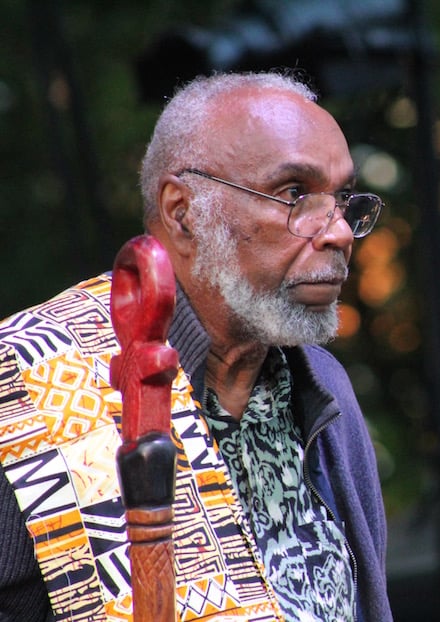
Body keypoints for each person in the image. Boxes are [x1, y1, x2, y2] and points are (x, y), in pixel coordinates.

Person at [0, 71, 392, 621]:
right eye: (294, 194)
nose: (340, 232)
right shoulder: (25, 382)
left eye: (343, 199)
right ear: (182, 212)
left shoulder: (324, 391)